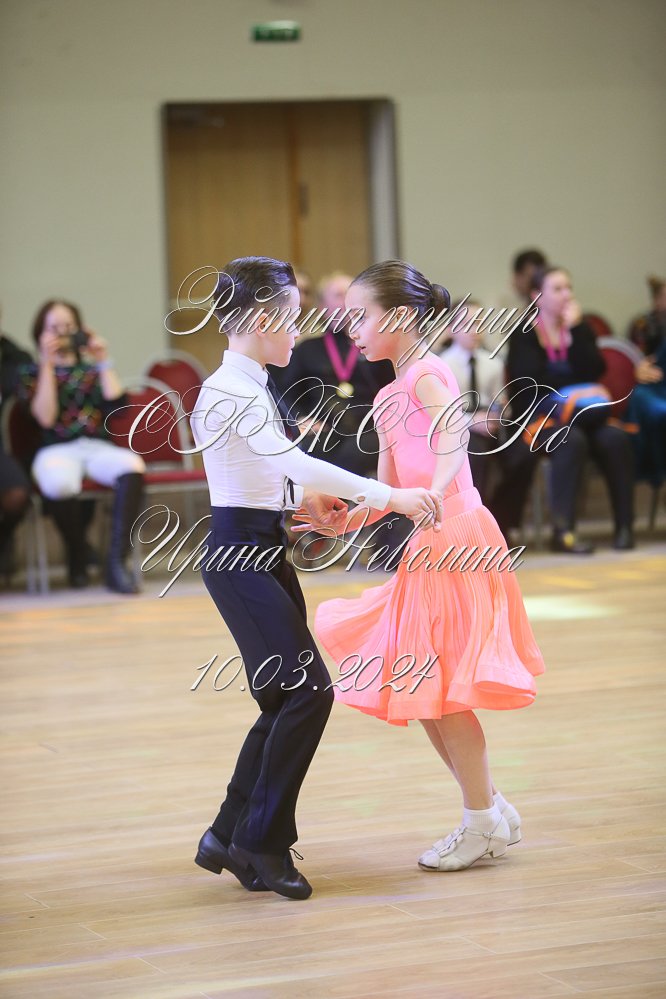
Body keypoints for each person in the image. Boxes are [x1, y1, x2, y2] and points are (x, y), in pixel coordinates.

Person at [190, 256, 442, 900]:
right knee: (307, 693)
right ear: (259, 320)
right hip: (240, 557)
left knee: (286, 699)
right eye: (290, 314)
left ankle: (228, 833)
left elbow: (264, 473)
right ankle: (260, 842)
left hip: (261, 548)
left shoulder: (248, 384)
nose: (298, 327)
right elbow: (287, 459)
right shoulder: (230, 389)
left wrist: (307, 502)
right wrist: (389, 495)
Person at [308, 260, 545, 873]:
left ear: (399, 317)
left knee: (444, 693)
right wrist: (344, 522)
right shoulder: (387, 395)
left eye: (361, 316)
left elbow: (453, 437)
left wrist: (435, 491)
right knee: (425, 688)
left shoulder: (427, 374)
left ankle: (481, 819)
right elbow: (389, 490)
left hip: (458, 538)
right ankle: (488, 809)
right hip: (428, 542)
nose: (350, 328)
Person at [17, 300, 145, 592]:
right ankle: (77, 553)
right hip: (55, 448)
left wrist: (103, 359)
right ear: (40, 333)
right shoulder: (30, 372)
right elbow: (45, 418)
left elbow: (117, 407)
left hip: (96, 446)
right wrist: (47, 364)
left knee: (132, 465)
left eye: (69, 327)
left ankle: (116, 563)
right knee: (59, 483)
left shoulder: (92, 369)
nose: (62, 334)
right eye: (54, 328)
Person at [507, 267, 635, 553]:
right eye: (558, 289)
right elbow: (530, 384)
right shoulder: (525, 333)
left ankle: (624, 526)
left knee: (615, 439)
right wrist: (576, 391)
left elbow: (595, 370)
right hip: (540, 418)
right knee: (570, 439)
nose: (567, 294)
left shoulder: (579, 328)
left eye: (569, 287)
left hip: (583, 416)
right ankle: (563, 532)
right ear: (537, 296)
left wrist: (576, 330)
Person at [441, 300, 535, 538]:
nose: (474, 330)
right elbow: (440, 413)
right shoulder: (442, 364)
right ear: (451, 329)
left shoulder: (493, 363)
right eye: (467, 324)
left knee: (524, 455)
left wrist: (500, 412)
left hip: (491, 425)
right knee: (475, 453)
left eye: (479, 323)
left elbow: (502, 403)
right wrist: (472, 422)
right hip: (459, 428)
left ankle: (501, 520)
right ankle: (473, 528)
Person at [0, 320, 32, 580]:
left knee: (17, 493)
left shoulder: (15, 357)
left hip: (2, 445)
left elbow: (24, 401)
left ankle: (3, 539)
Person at [627, 276, 666, 488]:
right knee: (652, 408)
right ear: (657, 300)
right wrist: (638, 368)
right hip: (654, 384)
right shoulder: (644, 324)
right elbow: (638, 360)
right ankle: (656, 472)